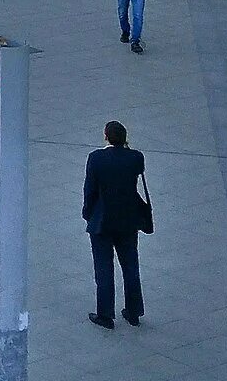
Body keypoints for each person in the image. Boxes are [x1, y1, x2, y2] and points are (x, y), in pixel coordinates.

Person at [83, 120, 151, 327]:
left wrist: (88, 213)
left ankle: (105, 315)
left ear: (106, 136)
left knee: (103, 268)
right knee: (130, 266)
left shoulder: (96, 159)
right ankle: (133, 311)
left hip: (102, 221)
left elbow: (90, 190)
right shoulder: (136, 157)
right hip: (128, 220)